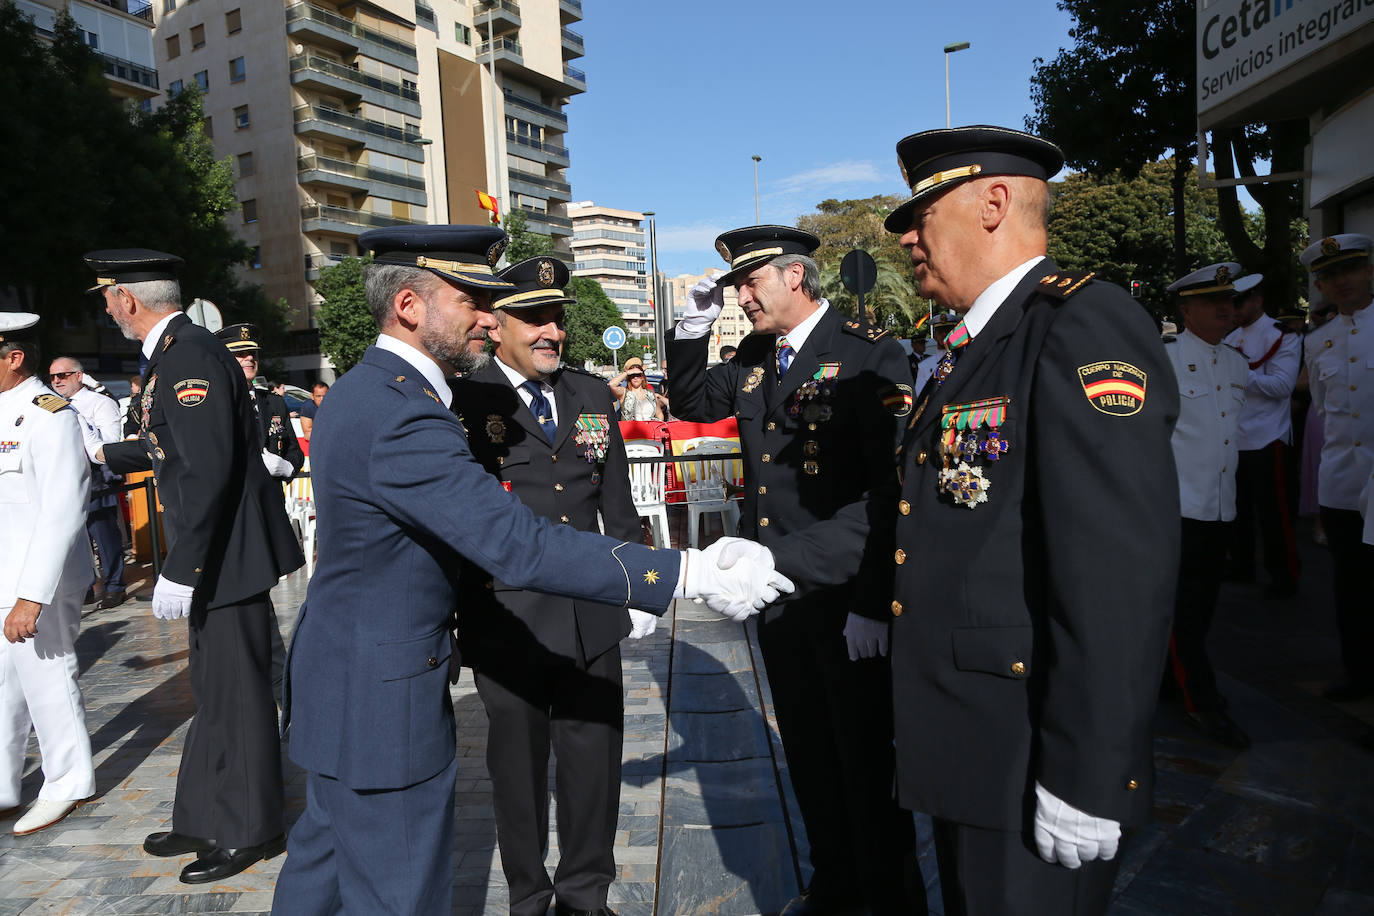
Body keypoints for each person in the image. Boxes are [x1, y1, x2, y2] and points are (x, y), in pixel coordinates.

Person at [271, 225, 791, 915]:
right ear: (409, 305)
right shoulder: (405, 414)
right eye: (472, 299)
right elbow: (516, 543)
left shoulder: (368, 392)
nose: (490, 315)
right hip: (382, 700)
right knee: (396, 893)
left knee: (323, 875)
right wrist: (683, 571)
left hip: (346, 684)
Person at [823, 126, 1178, 915]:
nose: (906, 237)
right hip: (974, 745)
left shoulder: (1078, 325)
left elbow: (1118, 571)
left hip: (1032, 750)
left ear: (993, 203)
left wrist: (1090, 773)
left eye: (921, 213)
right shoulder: (970, 347)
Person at [668, 226, 922, 916]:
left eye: (750, 283)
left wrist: (874, 602)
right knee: (808, 752)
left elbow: (886, 492)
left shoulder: (868, 354)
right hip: (778, 593)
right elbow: (691, 403)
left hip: (844, 596)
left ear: (795, 278)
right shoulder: (755, 358)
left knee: (865, 761)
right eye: (735, 286)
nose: (741, 297)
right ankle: (835, 885)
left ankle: (889, 899)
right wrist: (692, 322)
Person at [86, 248, 305, 884]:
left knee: (237, 697)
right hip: (218, 554)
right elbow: (175, 446)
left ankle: (249, 829)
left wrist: (181, 567)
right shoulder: (178, 353)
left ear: (129, 298)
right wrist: (107, 453)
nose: (106, 308)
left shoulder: (189, 356)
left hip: (223, 557)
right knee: (213, 693)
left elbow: (208, 469)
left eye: (107, 297)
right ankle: (204, 813)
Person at [450, 256, 654, 916]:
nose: (552, 332)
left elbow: (615, 500)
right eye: (535, 318)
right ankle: (530, 900)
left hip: (591, 613)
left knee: (594, 765)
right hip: (508, 618)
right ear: (497, 325)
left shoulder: (591, 394)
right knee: (518, 774)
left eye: (558, 318)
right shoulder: (465, 400)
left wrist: (639, 583)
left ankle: (584, 898)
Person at [0, 315, 96, 837]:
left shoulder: (50, 414)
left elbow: (61, 510)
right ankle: (3, 783)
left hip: (40, 581)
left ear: (14, 357)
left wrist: (30, 596)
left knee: (49, 681)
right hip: (2, 578)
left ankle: (67, 782)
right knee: (2, 687)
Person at [1161, 263, 1252, 748]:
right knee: (1184, 612)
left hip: (1221, 507)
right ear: (1186, 308)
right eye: (1213, 301)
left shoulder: (1237, 363)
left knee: (1203, 609)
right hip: (1178, 507)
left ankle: (1173, 683)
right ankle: (1201, 700)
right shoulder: (1165, 358)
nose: (1226, 309)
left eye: (1230, 300)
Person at [1301, 233, 1374, 701]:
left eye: (1348, 270)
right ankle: (1359, 674)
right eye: (1329, 276)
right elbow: (1325, 412)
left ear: (1369, 271)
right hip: (1343, 482)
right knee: (1351, 588)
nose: (1339, 281)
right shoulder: (1319, 340)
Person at [1222, 274, 1302, 595]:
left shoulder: (1280, 336)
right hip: (1237, 437)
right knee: (1238, 510)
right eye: (1232, 302)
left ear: (1258, 301)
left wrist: (1242, 375)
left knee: (1274, 513)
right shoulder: (1230, 339)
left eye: (1239, 302)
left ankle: (1284, 574)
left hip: (1269, 436)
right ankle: (1241, 565)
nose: (1234, 309)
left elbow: (1283, 388)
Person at [48, 356, 126, 609]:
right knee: (73, 538)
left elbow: (111, 442)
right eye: (52, 377)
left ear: (79, 376)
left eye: (63, 375)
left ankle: (114, 585)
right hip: (62, 479)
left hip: (96, 478)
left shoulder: (99, 403)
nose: (57, 381)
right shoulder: (50, 405)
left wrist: (83, 426)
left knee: (103, 535)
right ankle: (87, 585)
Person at [215, 324, 304, 479]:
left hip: (270, 497)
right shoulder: (213, 403)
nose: (249, 358)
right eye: (240, 353)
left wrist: (287, 467)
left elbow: (294, 451)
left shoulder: (275, 403)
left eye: (253, 353)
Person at [608, 356, 666, 421]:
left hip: (649, 429)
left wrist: (657, 428)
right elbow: (612, 384)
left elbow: (659, 414)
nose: (635, 378)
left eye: (638, 375)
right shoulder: (624, 393)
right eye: (632, 375)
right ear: (629, 377)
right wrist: (627, 373)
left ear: (642, 377)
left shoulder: (651, 394)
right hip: (630, 430)